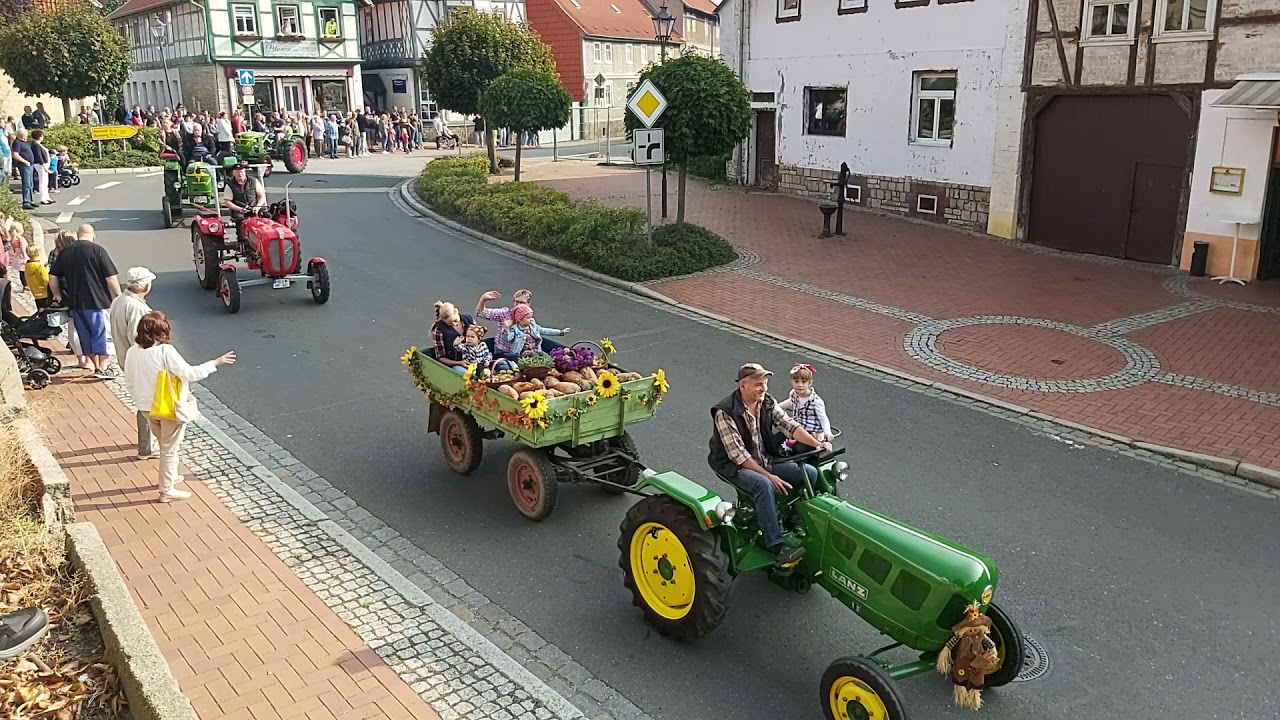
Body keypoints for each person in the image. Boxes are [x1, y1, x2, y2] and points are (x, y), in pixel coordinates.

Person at [708, 363, 833, 569]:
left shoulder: (766, 401)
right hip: (733, 465)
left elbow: (790, 426)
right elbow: (739, 455)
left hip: (762, 458)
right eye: (758, 384)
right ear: (743, 385)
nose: (763, 388)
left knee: (809, 473)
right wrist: (769, 476)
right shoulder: (725, 411)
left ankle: (792, 520)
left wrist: (816, 443)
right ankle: (776, 546)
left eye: (765, 383)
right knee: (762, 485)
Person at [124, 311, 235, 502]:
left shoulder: (132, 351)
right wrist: (216, 363)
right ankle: (166, 490)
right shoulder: (165, 351)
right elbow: (189, 373)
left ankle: (171, 475)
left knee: (163, 442)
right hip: (168, 408)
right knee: (169, 448)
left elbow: (129, 381)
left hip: (145, 407)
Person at [48, 224, 120, 377]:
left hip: (76, 302)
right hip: (97, 301)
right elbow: (110, 278)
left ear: (78, 234)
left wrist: (57, 294)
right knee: (101, 333)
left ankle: (95, 366)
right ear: (92, 235)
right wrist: (119, 295)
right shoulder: (97, 250)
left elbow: (53, 275)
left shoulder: (66, 252)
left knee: (84, 335)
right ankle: (103, 366)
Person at [110, 267, 157, 458]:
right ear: (145, 286)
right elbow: (139, 339)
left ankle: (147, 444)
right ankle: (147, 447)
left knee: (144, 401)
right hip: (138, 362)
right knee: (147, 403)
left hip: (127, 358)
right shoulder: (136, 308)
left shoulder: (120, 300)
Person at [777, 363, 833, 455]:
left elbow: (823, 418)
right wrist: (776, 407)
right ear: (791, 382)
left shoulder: (815, 401)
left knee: (799, 448)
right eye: (796, 382)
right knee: (777, 438)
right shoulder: (794, 395)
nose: (800, 385)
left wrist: (828, 432)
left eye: (803, 382)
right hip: (797, 428)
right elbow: (789, 403)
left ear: (809, 383)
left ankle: (798, 456)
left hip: (811, 432)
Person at [475, 288, 531, 359]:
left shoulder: (529, 317)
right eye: (517, 302)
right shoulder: (505, 313)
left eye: (522, 303)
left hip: (521, 353)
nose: (518, 305)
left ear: (528, 304)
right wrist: (483, 299)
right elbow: (480, 313)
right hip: (502, 353)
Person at [501, 303, 568, 357]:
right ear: (519, 319)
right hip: (523, 353)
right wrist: (506, 330)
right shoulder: (515, 329)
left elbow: (545, 331)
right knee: (534, 356)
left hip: (535, 349)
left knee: (545, 356)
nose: (531, 319)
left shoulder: (533, 327)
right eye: (528, 318)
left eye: (531, 317)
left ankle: (548, 368)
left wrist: (560, 332)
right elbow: (508, 338)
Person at [222, 163, 266, 242]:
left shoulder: (254, 181)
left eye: (241, 171)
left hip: (255, 208)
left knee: (268, 216)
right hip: (240, 210)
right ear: (233, 173)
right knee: (240, 220)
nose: (240, 174)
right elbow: (227, 202)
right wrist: (239, 209)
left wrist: (257, 207)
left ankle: (266, 239)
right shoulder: (229, 185)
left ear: (245, 171)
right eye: (237, 172)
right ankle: (243, 242)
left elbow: (262, 196)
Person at [430, 301, 474, 370]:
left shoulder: (470, 320)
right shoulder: (439, 330)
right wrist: (459, 363)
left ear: (456, 311)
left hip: (474, 359)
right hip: (455, 364)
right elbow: (441, 358)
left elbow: (479, 341)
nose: (454, 324)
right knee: (464, 374)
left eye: (455, 320)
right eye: (450, 324)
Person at [10, 129, 35, 210]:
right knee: (26, 183)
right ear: (22, 135)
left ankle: (30, 200)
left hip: (29, 165)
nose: (26, 137)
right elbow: (15, 154)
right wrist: (25, 161)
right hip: (24, 165)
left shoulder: (23, 143)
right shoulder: (17, 142)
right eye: (25, 135)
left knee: (30, 183)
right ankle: (26, 202)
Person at [24, 245, 50, 310]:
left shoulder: (27, 266)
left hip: (35, 292)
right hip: (44, 293)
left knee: (40, 310)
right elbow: (46, 279)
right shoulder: (40, 267)